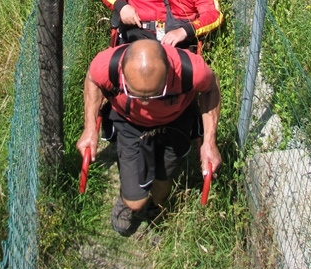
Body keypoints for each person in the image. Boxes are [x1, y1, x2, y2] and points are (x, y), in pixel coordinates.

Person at [76, 38, 221, 236]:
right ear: (123, 73)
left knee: (164, 177)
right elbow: (92, 79)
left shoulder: (191, 69)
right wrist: (90, 128)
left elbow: (211, 88)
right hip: (129, 123)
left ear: (169, 72)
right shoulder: (107, 64)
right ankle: (130, 198)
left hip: (175, 122)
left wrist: (210, 142)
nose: (145, 104)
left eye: (153, 95)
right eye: (136, 95)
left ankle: (157, 207)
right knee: (135, 201)